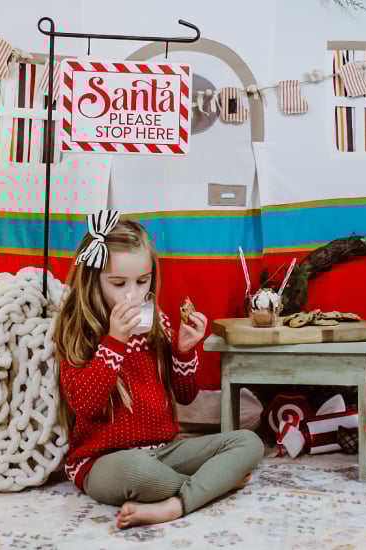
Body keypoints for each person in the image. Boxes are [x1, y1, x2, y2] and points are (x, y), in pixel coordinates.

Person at [54, 210, 264, 529]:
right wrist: (115, 342)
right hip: (103, 461)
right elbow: (83, 403)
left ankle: (174, 504)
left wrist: (183, 350)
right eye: (118, 283)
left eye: (143, 281)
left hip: (164, 450)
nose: (133, 294)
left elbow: (185, 394)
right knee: (139, 472)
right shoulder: (79, 328)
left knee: (248, 443)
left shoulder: (157, 322)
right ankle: (209, 486)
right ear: (92, 279)